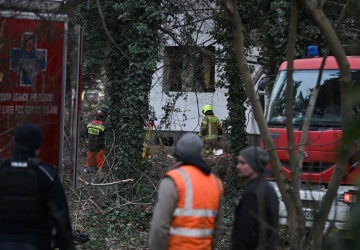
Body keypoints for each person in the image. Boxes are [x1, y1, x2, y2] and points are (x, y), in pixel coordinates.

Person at [0, 123, 74, 250]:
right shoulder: (47, 175)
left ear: (15, 143)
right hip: (36, 244)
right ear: (38, 146)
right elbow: (61, 220)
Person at [149, 133, 224, 250]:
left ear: (178, 153)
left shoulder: (173, 180)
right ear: (200, 153)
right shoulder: (216, 182)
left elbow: (159, 227)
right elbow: (218, 227)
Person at [230, 146, 279, 250]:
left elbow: (246, 235)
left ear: (255, 165)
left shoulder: (252, 193)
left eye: (243, 163)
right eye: (238, 162)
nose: (238, 166)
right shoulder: (269, 189)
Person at [84, 107, 107, 172]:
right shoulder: (103, 125)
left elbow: (85, 134)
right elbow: (105, 137)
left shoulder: (90, 123)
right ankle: (100, 176)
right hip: (100, 148)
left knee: (90, 165)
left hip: (90, 146)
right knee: (101, 166)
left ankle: (90, 175)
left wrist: (88, 142)